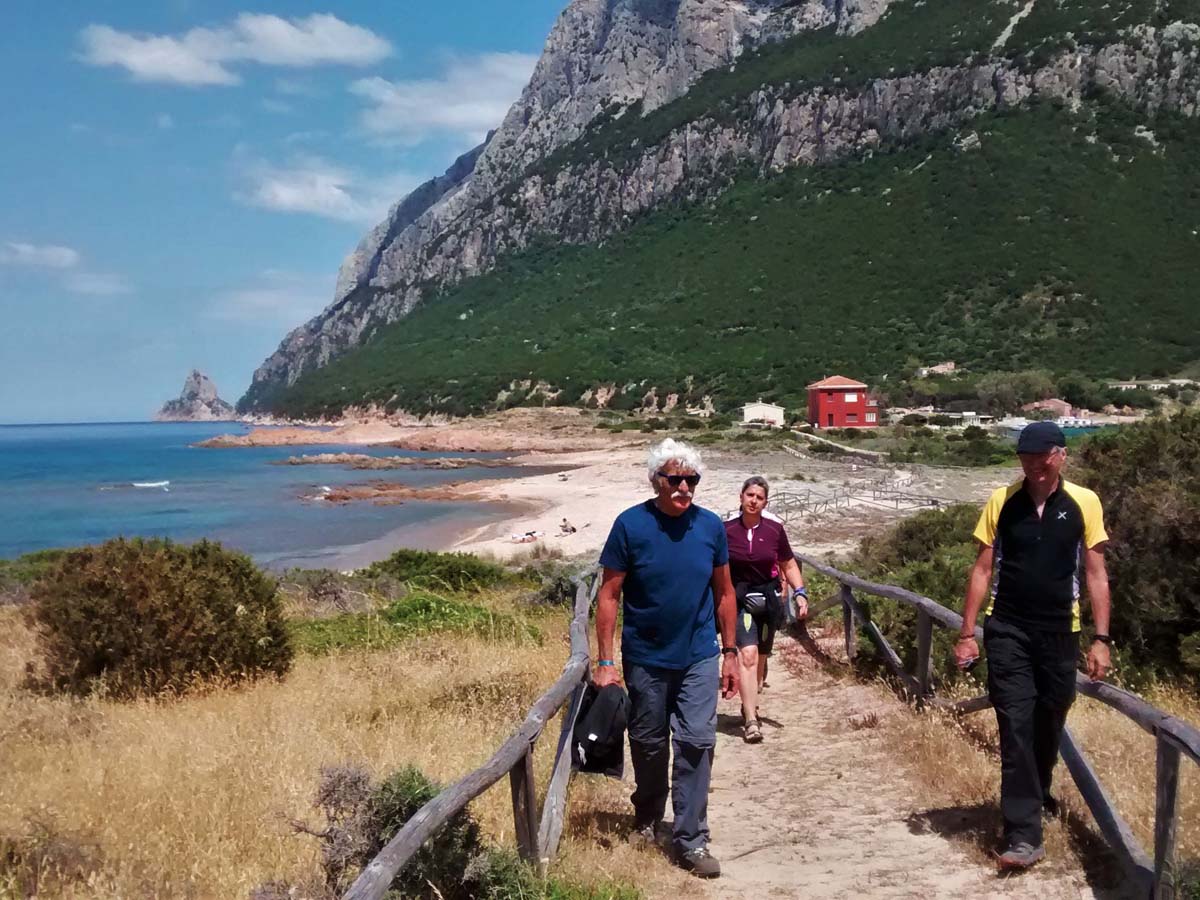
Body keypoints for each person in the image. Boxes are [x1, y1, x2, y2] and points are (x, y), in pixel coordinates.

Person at [955, 421, 1112, 870]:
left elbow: (1096, 574)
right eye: (1026, 461)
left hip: (1063, 630)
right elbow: (982, 570)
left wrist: (1101, 639)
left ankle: (1039, 791)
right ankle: (1023, 834)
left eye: (1041, 461)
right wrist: (968, 633)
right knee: (1015, 724)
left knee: (1050, 717)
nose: (1034, 469)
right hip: (1007, 629)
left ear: (1061, 456)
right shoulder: (1002, 502)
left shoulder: (1085, 502)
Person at [594, 438, 739, 878]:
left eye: (691, 479)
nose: (684, 487)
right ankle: (648, 813)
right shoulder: (630, 525)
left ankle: (691, 840)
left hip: (698, 654)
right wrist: (605, 662)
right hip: (645, 657)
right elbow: (609, 594)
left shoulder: (711, 527)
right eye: (675, 479)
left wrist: (730, 653)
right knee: (649, 743)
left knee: (697, 741)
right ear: (657, 480)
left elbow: (725, 593)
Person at [725, 476, 808, 743]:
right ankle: (751, 721)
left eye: (759, 498)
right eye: (749, 495)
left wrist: (800, 593)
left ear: (765, 502)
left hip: (769, 600)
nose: (753, 501)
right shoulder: (725, 530)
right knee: (747, 655)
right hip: (741, 602)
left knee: (760, 657)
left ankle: (752, 699)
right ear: (741, 497)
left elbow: (788, 563)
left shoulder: (774, 530)